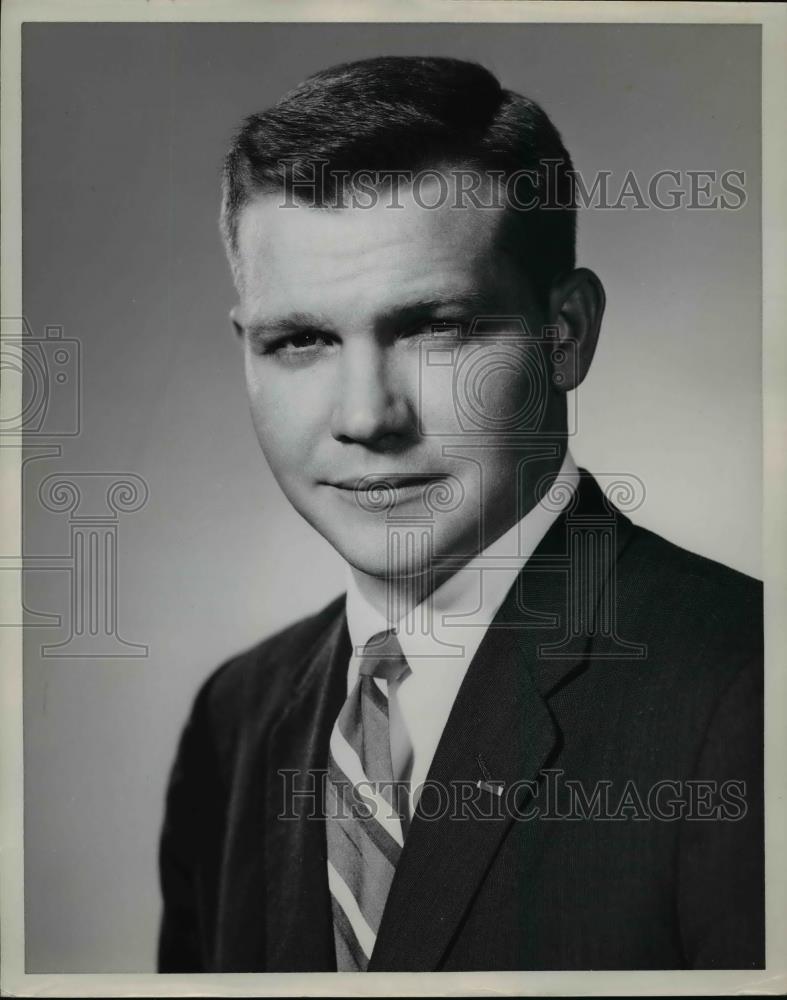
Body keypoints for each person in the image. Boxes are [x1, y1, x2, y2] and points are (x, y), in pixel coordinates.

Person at [157, 56, 763, 972]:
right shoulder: (234, 718)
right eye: (303, 341)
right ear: (247, 350)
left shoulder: (750, 691)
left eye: (435, 328)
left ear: (566, 336)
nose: (365, 418)